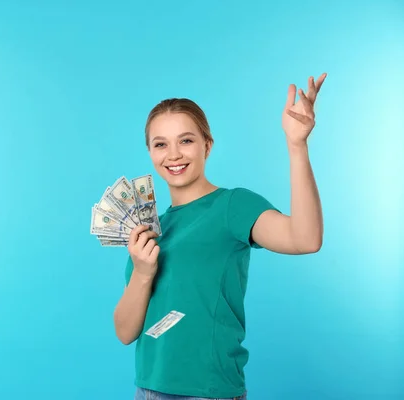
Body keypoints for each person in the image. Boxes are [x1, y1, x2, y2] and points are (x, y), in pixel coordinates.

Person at [113, 73, 327, 400]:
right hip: (147, 391)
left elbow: (305, 238)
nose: (173, 155)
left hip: (206, 392)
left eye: (185, 140)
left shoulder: (232, 206)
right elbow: (126, 332)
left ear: (207, 145)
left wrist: (297, 146)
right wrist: (142, 272)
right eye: (160, 144)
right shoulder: (150, 231)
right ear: (150, 152)